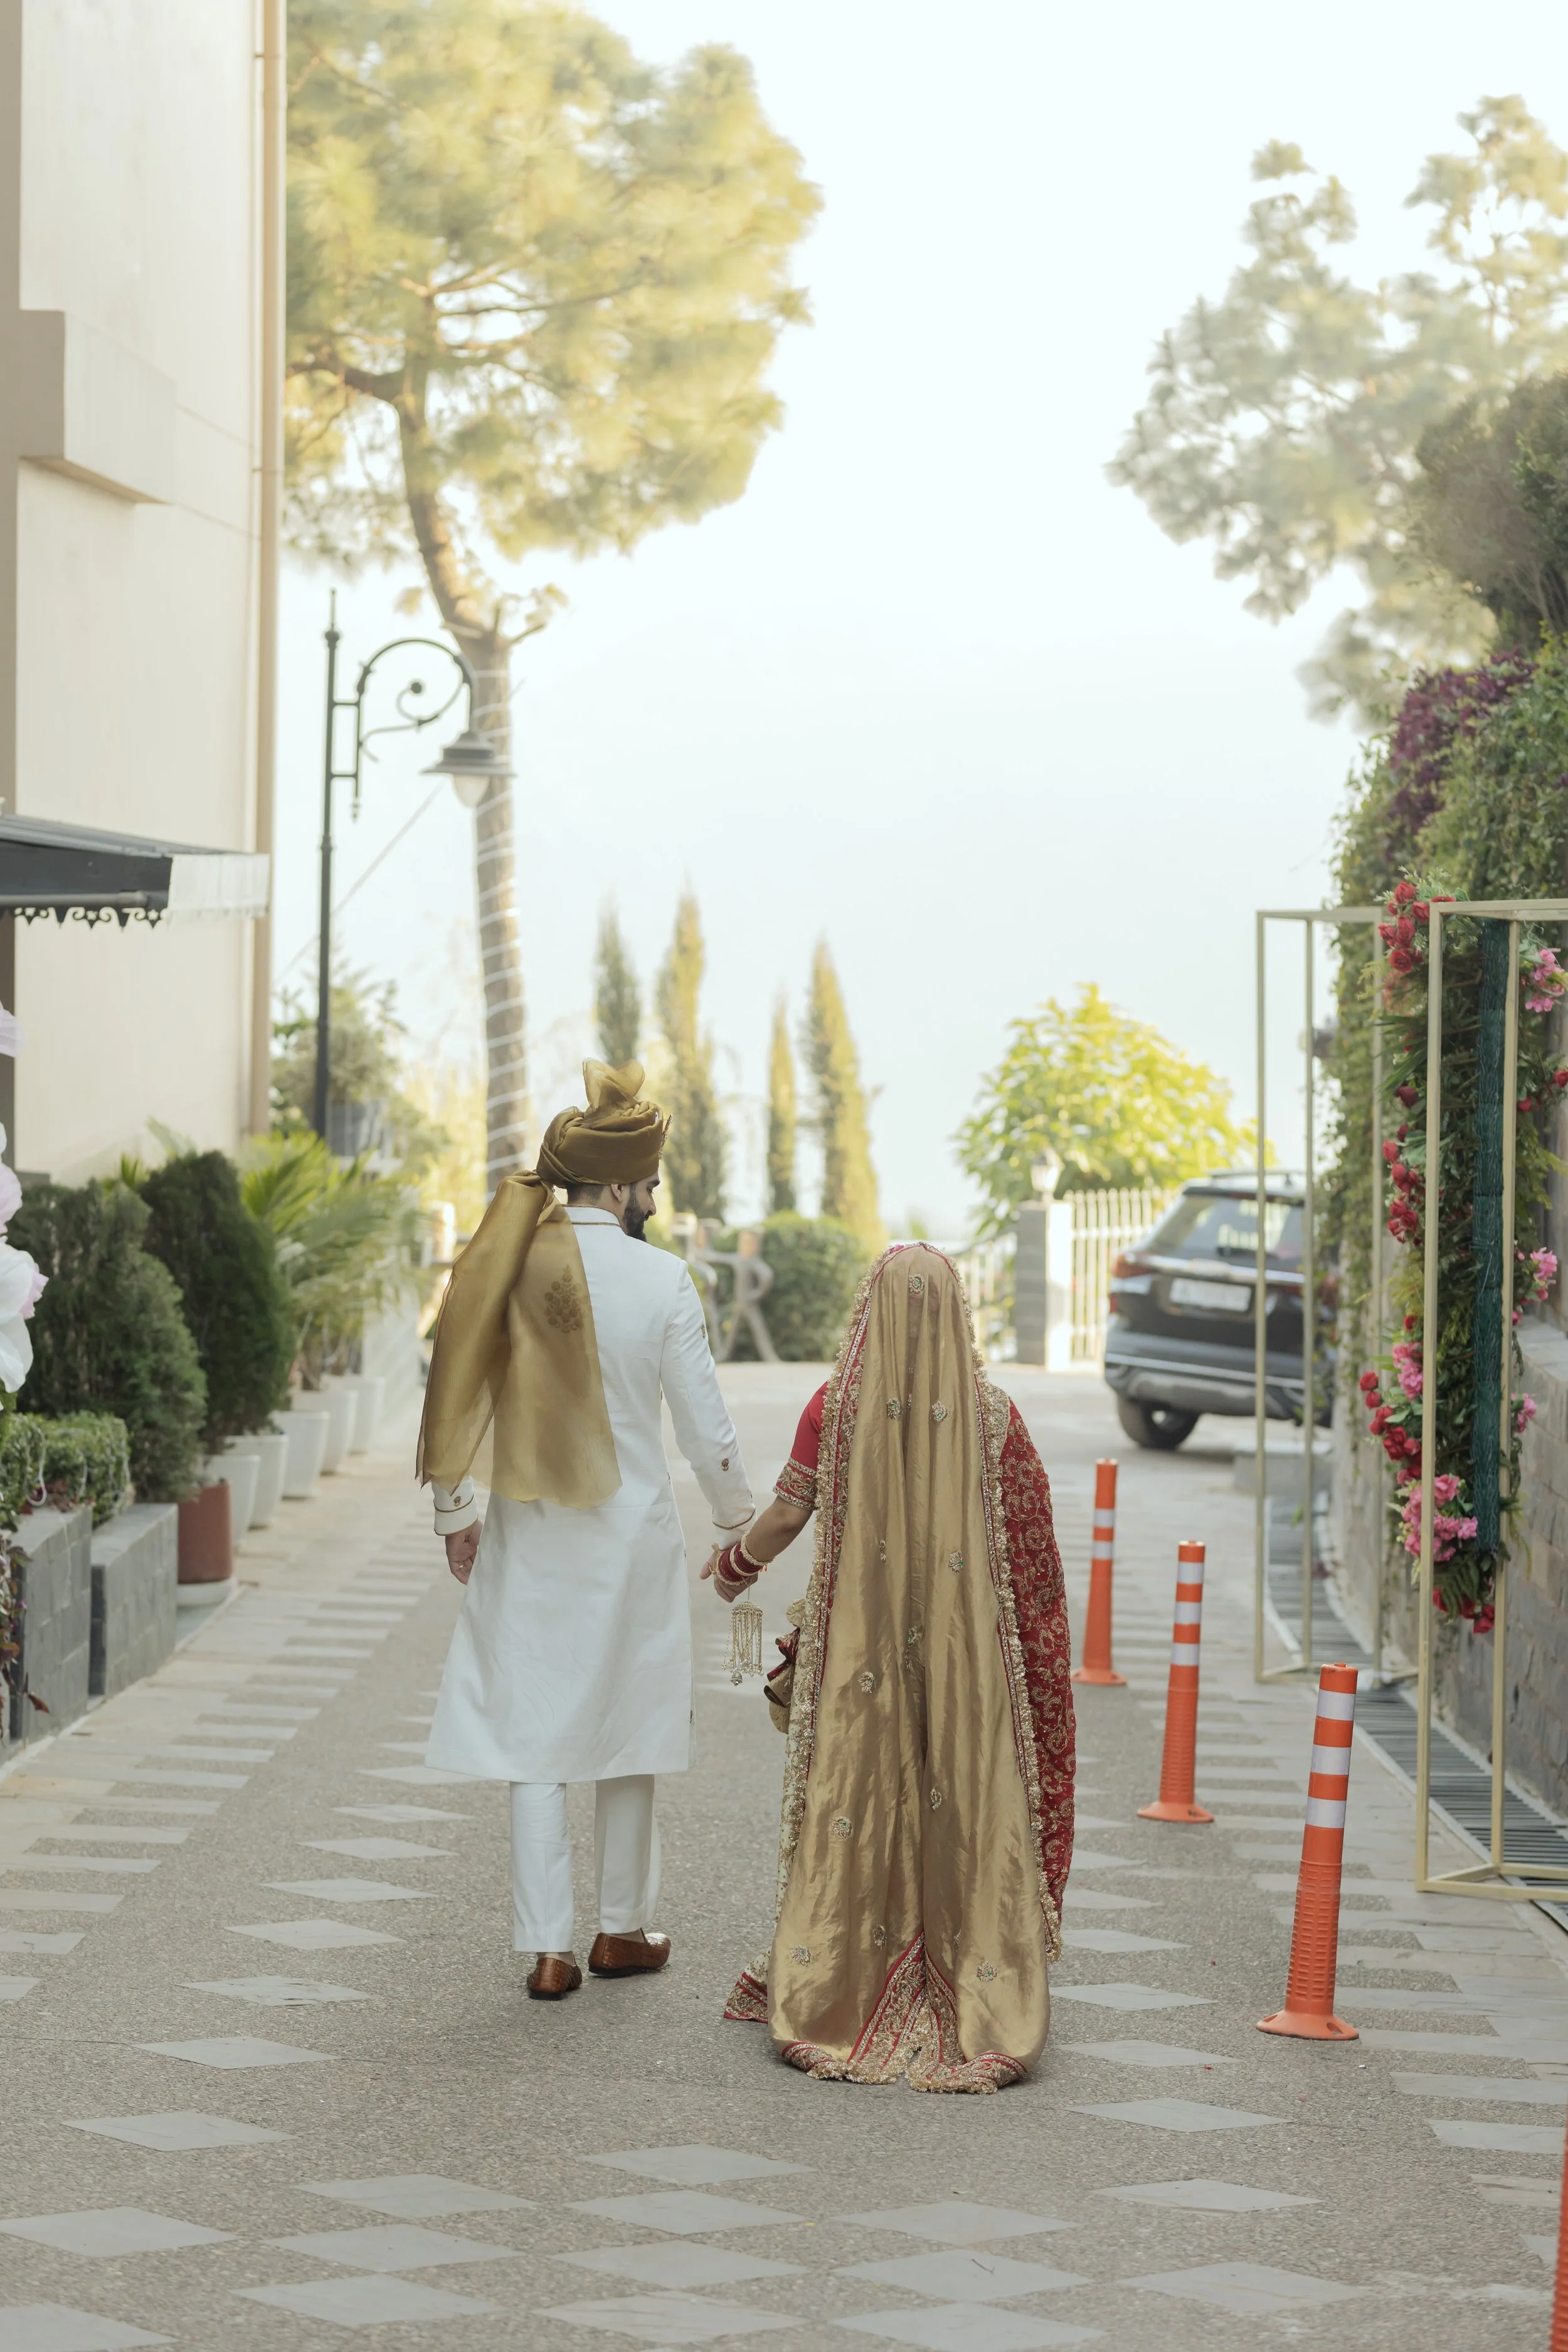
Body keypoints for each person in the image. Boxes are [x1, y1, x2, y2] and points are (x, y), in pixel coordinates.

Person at [418, 1059, 753, 2001]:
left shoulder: (511, 1263)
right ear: (617, 1184)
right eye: (648, 1181)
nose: (652, 1195)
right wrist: (739, 1528)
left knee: (534, 1731)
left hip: (529, 1531)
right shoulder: (663, 1279)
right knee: (630, 1725)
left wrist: (455, 1511)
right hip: (631, 1539)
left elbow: (455, 1379)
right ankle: (621, 1929)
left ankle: (549, 1948)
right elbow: (705, 1429)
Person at [707, 1243, 1074, 2092]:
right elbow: (1033, 1557)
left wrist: (734, 1570)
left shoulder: (835, 1405)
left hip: (855, 1661)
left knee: (857, 1799)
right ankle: (969, 1976)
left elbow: (790, 1509)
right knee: (961, 1787)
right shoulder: (995, 1417)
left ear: (868, 1310)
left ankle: (841, 1979)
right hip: (967, 1663)